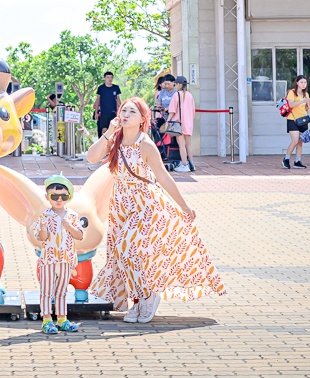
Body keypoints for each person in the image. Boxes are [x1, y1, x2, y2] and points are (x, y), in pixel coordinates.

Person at [87, 98, 225, 323]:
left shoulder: (145, 144)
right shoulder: (115, 139)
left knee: (127, 249)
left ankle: (148, 296)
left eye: (132, 112)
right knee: (120, 255)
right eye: (124, 110)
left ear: (143, 119)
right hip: (120, 203)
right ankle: (138, 300)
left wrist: (184, 206)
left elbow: (163, 176)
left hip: (143, 203)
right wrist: (109, 131)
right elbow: (91, 157)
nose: (126, 115)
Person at [30, 174, 84, 334]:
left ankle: (62, 319)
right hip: (49, 259)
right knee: (46, 290)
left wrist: (69, 227)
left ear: (69, 197)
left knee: (62, 290)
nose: (59, 200)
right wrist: (43, 229)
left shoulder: (72, 216)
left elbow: (80, 235)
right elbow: (41, 238)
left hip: (66, 259)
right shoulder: (44, 216)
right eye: (54, 196)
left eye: (63, 196)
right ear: (47, 197)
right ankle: (46, 320)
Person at [166, 76, 195, 173]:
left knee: (181, 145)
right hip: (188, 123)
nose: (175, 86)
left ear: (179, 84)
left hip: (179, 123)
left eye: (176, 84)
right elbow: (193, 111)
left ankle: (184, 164)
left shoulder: (176, 95)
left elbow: (172, 111)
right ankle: (192, 164)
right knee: (188, 145)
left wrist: (168, 121)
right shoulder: (190, 95)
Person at [283, 76, 310, 169]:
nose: (303, 84)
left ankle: (298, 161)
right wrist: (302, 101)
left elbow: (306, 108)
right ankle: (286, 159)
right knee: (295, 140)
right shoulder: (292, 92)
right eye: (301, 82)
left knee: (300, 142)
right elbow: (291, 104)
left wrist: (308, 104)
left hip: (303, 119)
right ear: (297, 83)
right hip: (293, 119)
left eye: (305, 82)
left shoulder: (306, 94)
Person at [93, 71, 122, 138]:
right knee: (104, 130)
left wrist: (120, 112)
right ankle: (104, 143)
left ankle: (112, 143)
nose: (109, 79)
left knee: (113, 130)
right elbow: (98, 100)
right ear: (104, 78)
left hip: (113, 112)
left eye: (111, 77)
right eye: (108, 77)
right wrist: (96, 113)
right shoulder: (101, 88)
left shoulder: (116, 88)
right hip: (104, 113)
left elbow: (118, 100)